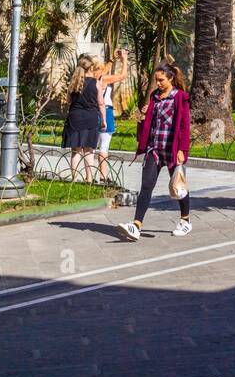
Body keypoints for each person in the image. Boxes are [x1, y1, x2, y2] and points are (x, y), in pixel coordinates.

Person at [118, 62, 191, 241]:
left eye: (161, 80)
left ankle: (185, 220)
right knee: (146, 185)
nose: (158, 83)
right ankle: (136, 226)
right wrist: (144, 115)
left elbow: (184, 126)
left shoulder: (180, 97)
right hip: (155, 148)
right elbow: (149, 124)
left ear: (171, 78)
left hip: (172, 148)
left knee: (179, 186)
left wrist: (183, 149)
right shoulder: (154, 96)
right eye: (156, 80)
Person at [63, 57, 106, 183]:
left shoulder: (74, 82)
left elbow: (68, 101)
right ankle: (89, 178)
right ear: (91, 68)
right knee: (89, 150)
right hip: (90, 117)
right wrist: (104, 120)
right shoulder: (96, 83)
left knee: (76, 150)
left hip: (75, 117)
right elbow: (101, 104)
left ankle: (74, 178)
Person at [94, 48, 129, 181]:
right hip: (105, 111)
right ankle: (103, 177)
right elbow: (122, 76)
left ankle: (88, 176)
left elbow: (103, 71)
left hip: (93, 111)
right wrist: (124, 60)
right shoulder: (104, 79)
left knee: (91, 147)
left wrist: (112, 59)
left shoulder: (91, 78)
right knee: (104, 147)